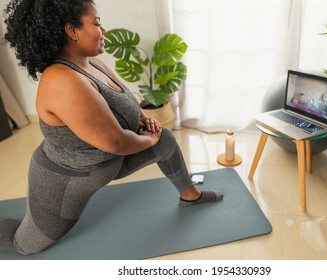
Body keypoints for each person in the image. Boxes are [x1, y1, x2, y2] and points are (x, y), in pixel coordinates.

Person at [0, 0, 223, 255]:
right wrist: (149, 139)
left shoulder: (91, 62)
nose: (103, 30)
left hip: (107, 163)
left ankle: (190, 194)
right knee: (24, 245)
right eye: (96, 23)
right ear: (72, 30)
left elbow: (126, 100)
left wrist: (144, 121)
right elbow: (115, 143)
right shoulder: (62, 81)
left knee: (165, 140)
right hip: (65, 183)